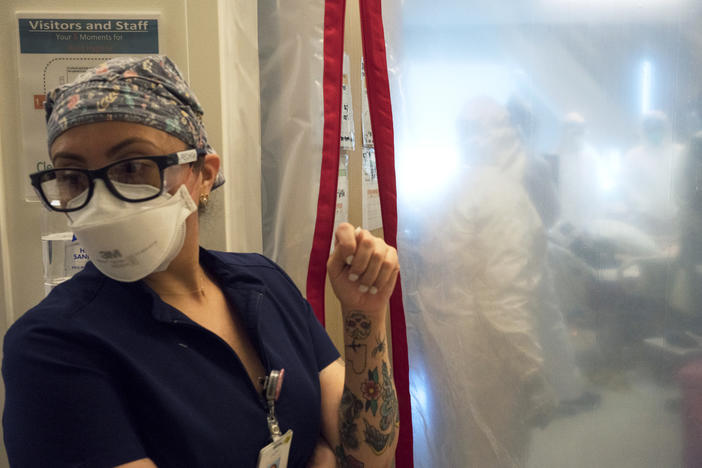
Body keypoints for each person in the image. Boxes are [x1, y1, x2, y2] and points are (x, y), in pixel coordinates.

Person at [2, 56, 400, 468]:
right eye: (72, 176)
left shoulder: (264, 284)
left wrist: (364, 313)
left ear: (203, 174)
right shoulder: (52, 345)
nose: (101, 201)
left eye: (133, 166)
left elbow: (369, 453)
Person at [415, 97, 552, 467]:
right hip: (487, 350)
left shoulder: (450, 187)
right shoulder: (503, 196)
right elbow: (504, 298)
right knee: (492, 449)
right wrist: (532, 370)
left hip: (445, 341)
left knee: (453, 443)